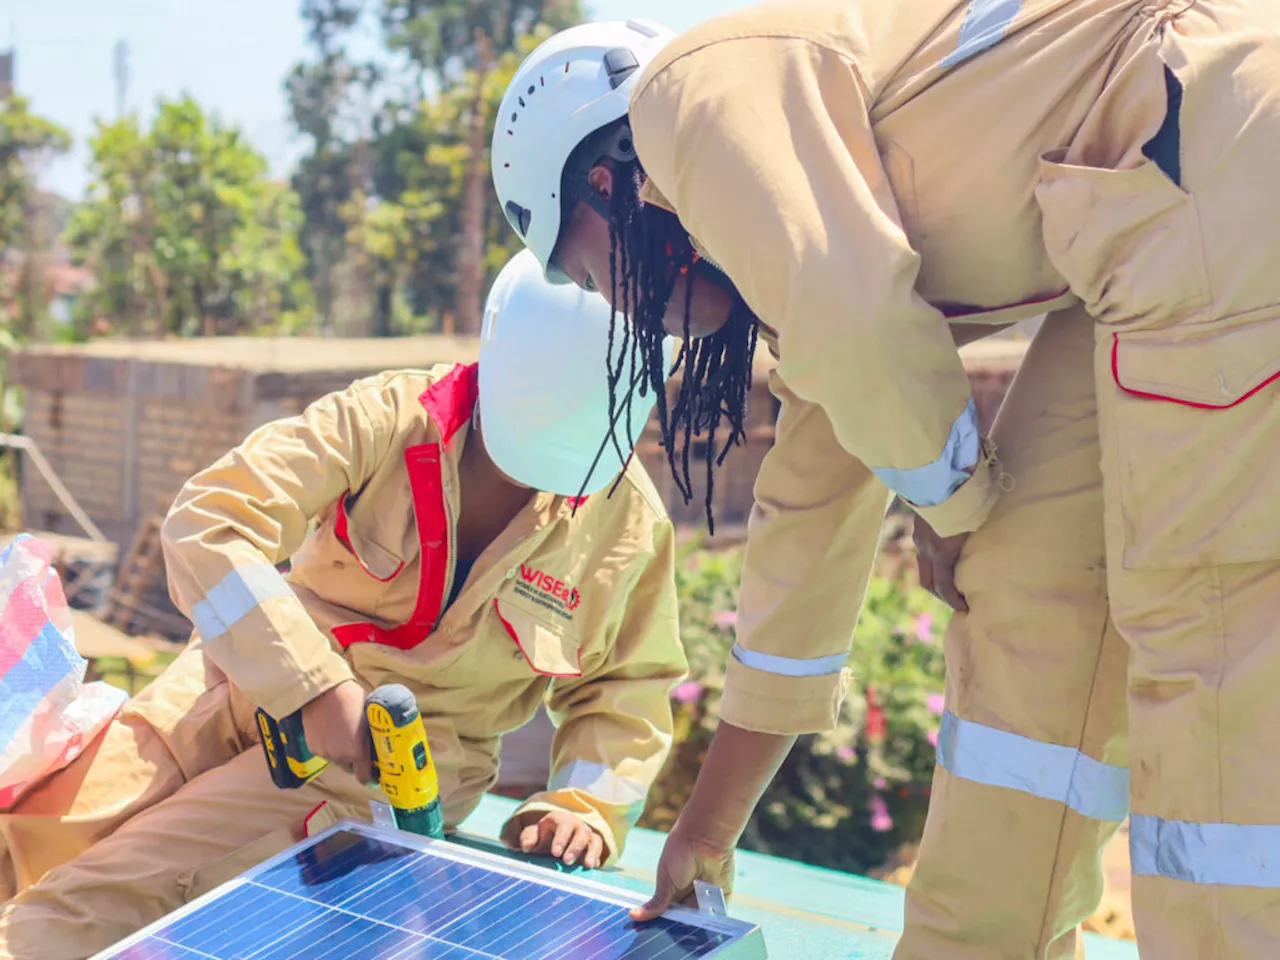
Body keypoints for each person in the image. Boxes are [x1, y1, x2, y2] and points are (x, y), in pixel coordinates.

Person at [490, 3, 1280, 958]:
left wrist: (949, 502)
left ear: (606, 183)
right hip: (1136, 204)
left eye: (580, 275)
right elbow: (803, 539)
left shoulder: (687, 101)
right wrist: (703, 833)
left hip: (1211, 127)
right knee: (1030, 587)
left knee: (1202, 618)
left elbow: (863, 334)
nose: (623, 313)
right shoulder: (806, 251)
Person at [0, 249, 684, 960]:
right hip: (229, 686)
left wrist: (582, 806)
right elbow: (209, 520)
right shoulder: (386, 419)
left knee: (85, 906)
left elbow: (629, 685)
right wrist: (314, 685)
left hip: (387, 771)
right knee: (34, 842)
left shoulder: (628, 524)